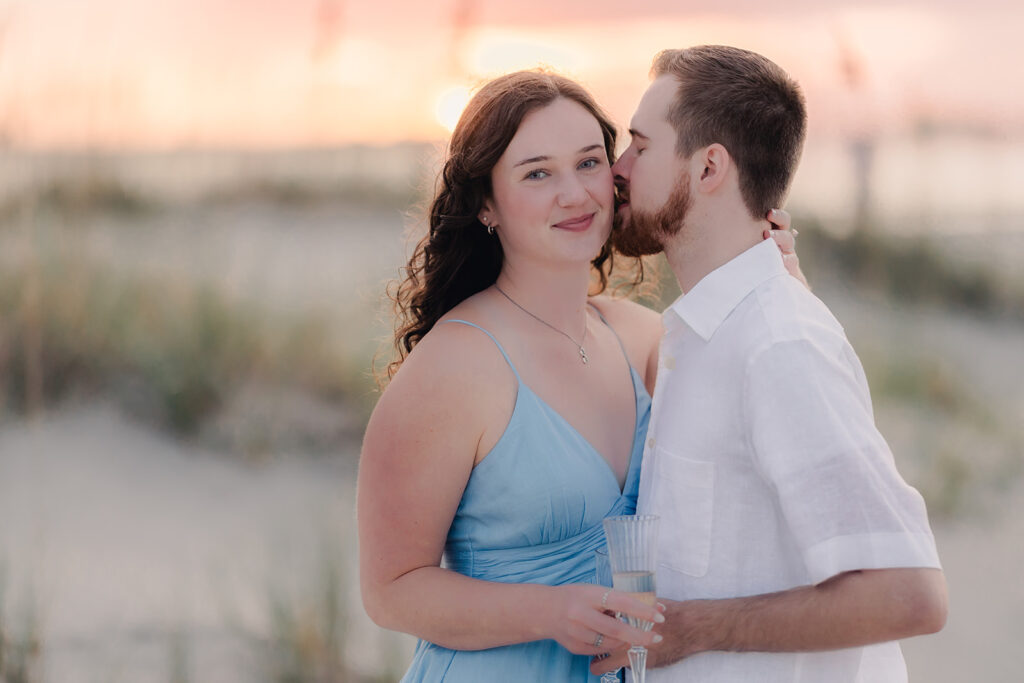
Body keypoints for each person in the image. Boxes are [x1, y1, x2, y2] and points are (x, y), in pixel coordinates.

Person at [357, 69, 805, 682]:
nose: (575, 194)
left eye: (590, 163)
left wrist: (781, 285)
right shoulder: (455, 367)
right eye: (538, 172)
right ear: (486, 202)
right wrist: (550, 611)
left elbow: (779, 411)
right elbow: (391, 590)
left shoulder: (643, 338)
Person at [592, 46, 947, 682]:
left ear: (708, 169)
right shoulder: (708, 334)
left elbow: (909, 593)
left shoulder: (778, 345)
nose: (617, 168)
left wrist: (692, 628)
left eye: (640, 148)